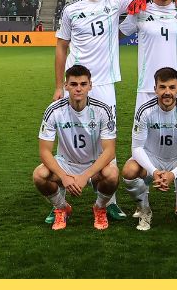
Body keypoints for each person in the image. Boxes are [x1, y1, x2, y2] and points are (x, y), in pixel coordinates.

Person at [51, 0, 177, 222]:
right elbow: (60, 47)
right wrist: (59, 86)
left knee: (107, 139)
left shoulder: (115, 4)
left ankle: (108, 201)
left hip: (104, 83)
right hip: (76, 81)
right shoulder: (71, 10)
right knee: (66, 136)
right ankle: (59, 202)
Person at [32, 65, 119, 231]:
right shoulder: (53, 110)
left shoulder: (102, 110)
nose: (78, 89)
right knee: (39, 175)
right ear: (66, 86)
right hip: (67, 163)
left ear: (90, 86)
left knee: (112, 174)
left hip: (94, 164)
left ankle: (99, 208)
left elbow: (109, 151)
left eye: (83, 84)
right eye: (73, 84)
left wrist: (85, 176)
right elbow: (44, 151)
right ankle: (62, 207)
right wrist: (63, 176)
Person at [120, 67, 177, 231]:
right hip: (152, 158)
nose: (167, 92)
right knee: (129, 171)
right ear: (155, 89)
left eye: (172, 87)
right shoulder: (144, 111)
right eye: (163, 87)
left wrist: (174, 173)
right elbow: (136, 148)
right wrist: (154, 171)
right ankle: (145, 210)